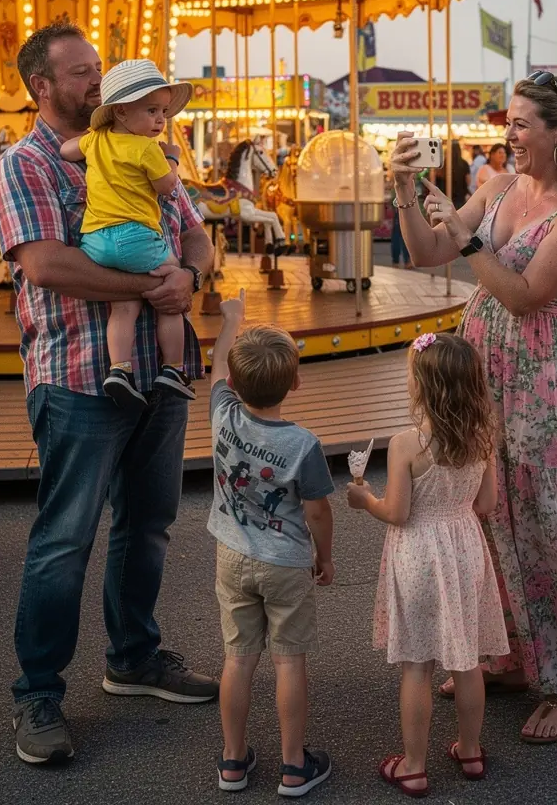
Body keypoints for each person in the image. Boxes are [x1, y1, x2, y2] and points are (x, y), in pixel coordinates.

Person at [0, 22, 218, 766]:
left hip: (159, 368)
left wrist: (193, 275)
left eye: (99, 69)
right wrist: (157, 288)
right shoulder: (25, 166)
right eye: (82, 73)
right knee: (65, 538)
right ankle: (37, 692)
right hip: (77, 374)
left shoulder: (153, 151)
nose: (97, 81)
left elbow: (194, 232)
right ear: (42, 87)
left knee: (148, 522)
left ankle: (134, 655)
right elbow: (49, 266)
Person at [390, 65, 557, 744]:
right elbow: (424, 252)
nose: (510, 133)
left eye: (523, 123)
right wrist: (407, 191)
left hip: (540, 377)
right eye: (509, 121)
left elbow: (525, 294)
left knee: (540, 512)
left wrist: (470, 239)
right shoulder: (499, 185)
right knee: (483, 504)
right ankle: (504, 652)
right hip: (482, 362)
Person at [347, 333, 507, 795]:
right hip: (464, 551)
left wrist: (364, 499)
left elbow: (397, 512)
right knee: (467, 660)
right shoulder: (482, 438)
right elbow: (488, 503)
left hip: (418, 553)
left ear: (422, 387)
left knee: (418, 666)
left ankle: (414, 765)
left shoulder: (406, 444)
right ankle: (471, 750)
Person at [208, 289, 335, 797]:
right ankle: (292, 766)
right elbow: (317, 509)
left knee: (238, 659)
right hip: (285, 563)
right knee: (288, 660)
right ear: (296, 383)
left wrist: (232, 320)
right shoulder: (302, 445)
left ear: (234, 384)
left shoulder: (222, 413)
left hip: (232, 555)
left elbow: (218, 361)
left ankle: (233, 761)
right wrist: (323, 556)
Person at [59, 59, 195, 406]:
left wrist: (90, 140)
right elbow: (167, 187)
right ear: (120, 111)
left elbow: (66, 150)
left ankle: (119, 369)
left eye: (163, 111)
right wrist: (173, 160)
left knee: (123, 306)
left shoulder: (97, 140)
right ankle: (174, 369)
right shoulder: (148, 149)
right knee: (171, 290)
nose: (161, 120)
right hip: (135, 237)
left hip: (95, 241)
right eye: (151, 110)